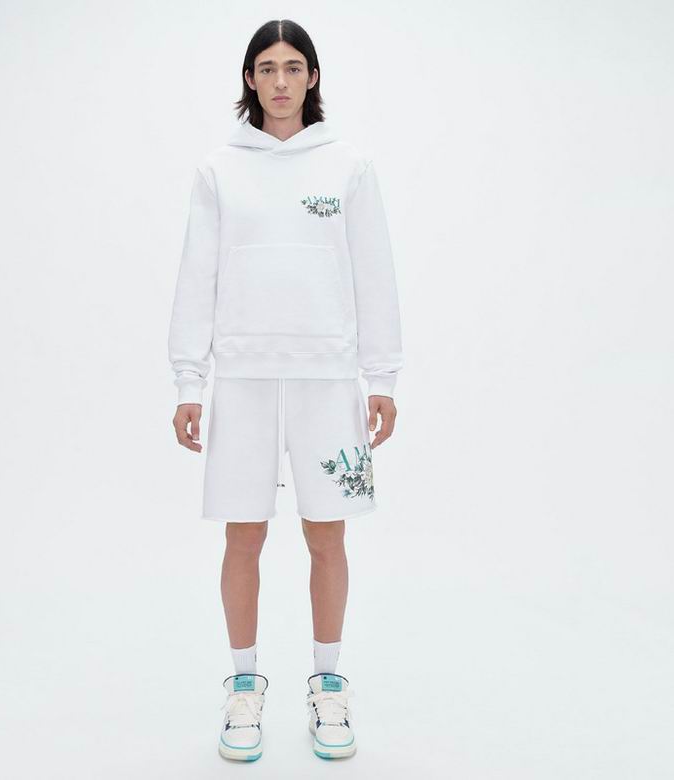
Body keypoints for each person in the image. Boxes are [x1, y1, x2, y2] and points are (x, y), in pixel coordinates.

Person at [167, 19, 403, 762]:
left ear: (312, 77)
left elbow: (373, 270)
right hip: (241, 377)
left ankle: (328, 682)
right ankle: (244, 686)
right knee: (244, 535)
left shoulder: (348, 166)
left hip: (328, 376)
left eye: (292, 67)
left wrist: (382, 375)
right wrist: (189, 381)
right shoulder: (219, 170)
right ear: (249, 79)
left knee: (327, 534)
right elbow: (197, 274)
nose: (279, 81)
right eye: (266, 68)